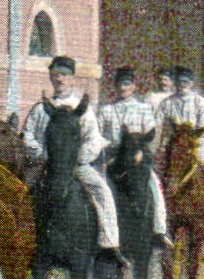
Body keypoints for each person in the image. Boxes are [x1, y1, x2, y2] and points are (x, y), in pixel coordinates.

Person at [23, 56, 129, 265]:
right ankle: (17, 241)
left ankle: (109, 243)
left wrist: (77, 157)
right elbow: (28, 137)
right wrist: (44, 154)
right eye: (55, 75)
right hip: (45, 164)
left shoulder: (82, 108)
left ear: (72, 78)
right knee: (20, 192)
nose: (59, 79)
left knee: (102, 191)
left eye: (64, 75)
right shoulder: (40, 109)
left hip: (75, 165)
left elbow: (93, 140)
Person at [96, 66, 169, 242]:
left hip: (137, 157)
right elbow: (98, 137)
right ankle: (98, 230)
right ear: (115, 86)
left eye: (127, 84)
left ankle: (160, 229)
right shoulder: (107, 110)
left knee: (154, 184)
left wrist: (141, 152)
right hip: (113, 157)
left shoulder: (143, 109)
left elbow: (150, 135)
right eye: (120, 84)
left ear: (134, 86)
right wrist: (109, 149)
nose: (123, 88)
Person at [156, 65, 204, 223]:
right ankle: (157, 220)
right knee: (155, 175)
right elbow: (159, 127)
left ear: (191, 83)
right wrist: (161, 146)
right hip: (172, 147)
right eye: (179, 82)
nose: (182, 85)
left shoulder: (200, 102)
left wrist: (193, 142)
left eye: (185, 82)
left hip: (196, 145)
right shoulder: (166, 103)